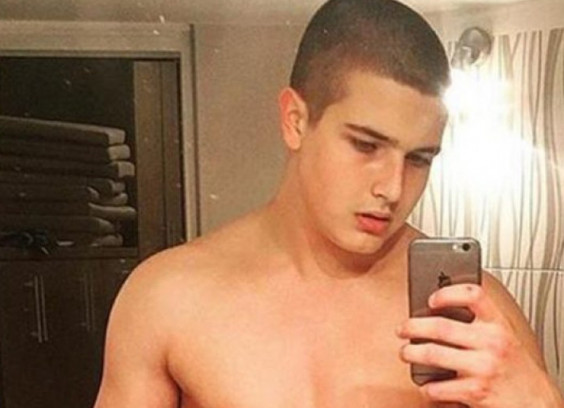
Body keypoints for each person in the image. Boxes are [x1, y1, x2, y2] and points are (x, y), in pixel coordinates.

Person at [94, 0, 564, 406]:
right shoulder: (169, 297)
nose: (393, 188)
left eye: (419, 158)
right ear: (295, 120)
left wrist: (537, 399)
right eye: (366, 145)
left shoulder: (473, 311)